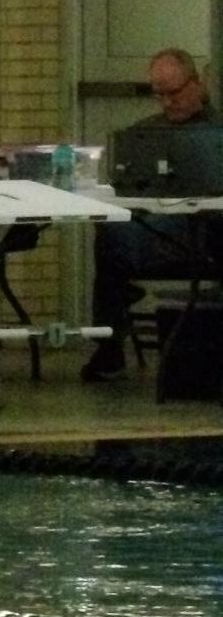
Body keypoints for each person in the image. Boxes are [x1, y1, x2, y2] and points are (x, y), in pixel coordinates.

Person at [83, 46, 219, 381]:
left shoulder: (217, 132)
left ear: (197, 84)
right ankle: (110, 347)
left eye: (173, 93)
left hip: (211, 236)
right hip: (164, 234)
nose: (167, 102)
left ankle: (112, 337)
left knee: (116, 241)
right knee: (110, 234)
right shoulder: (144, 134)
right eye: (158, 95)